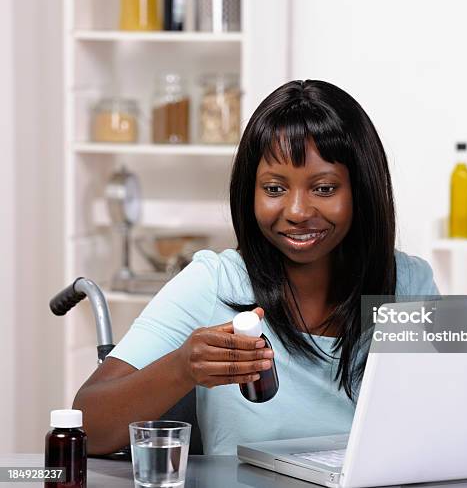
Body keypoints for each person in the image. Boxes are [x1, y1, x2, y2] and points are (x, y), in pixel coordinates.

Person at [73, 79, 439, 455]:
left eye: (325, 189)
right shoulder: (217, 282)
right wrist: (182, 367)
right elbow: (87, 427)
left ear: (362, 190)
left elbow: (446, 419)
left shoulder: (408, 283)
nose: (297, 212)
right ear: (249, 192)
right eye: (274, 189)